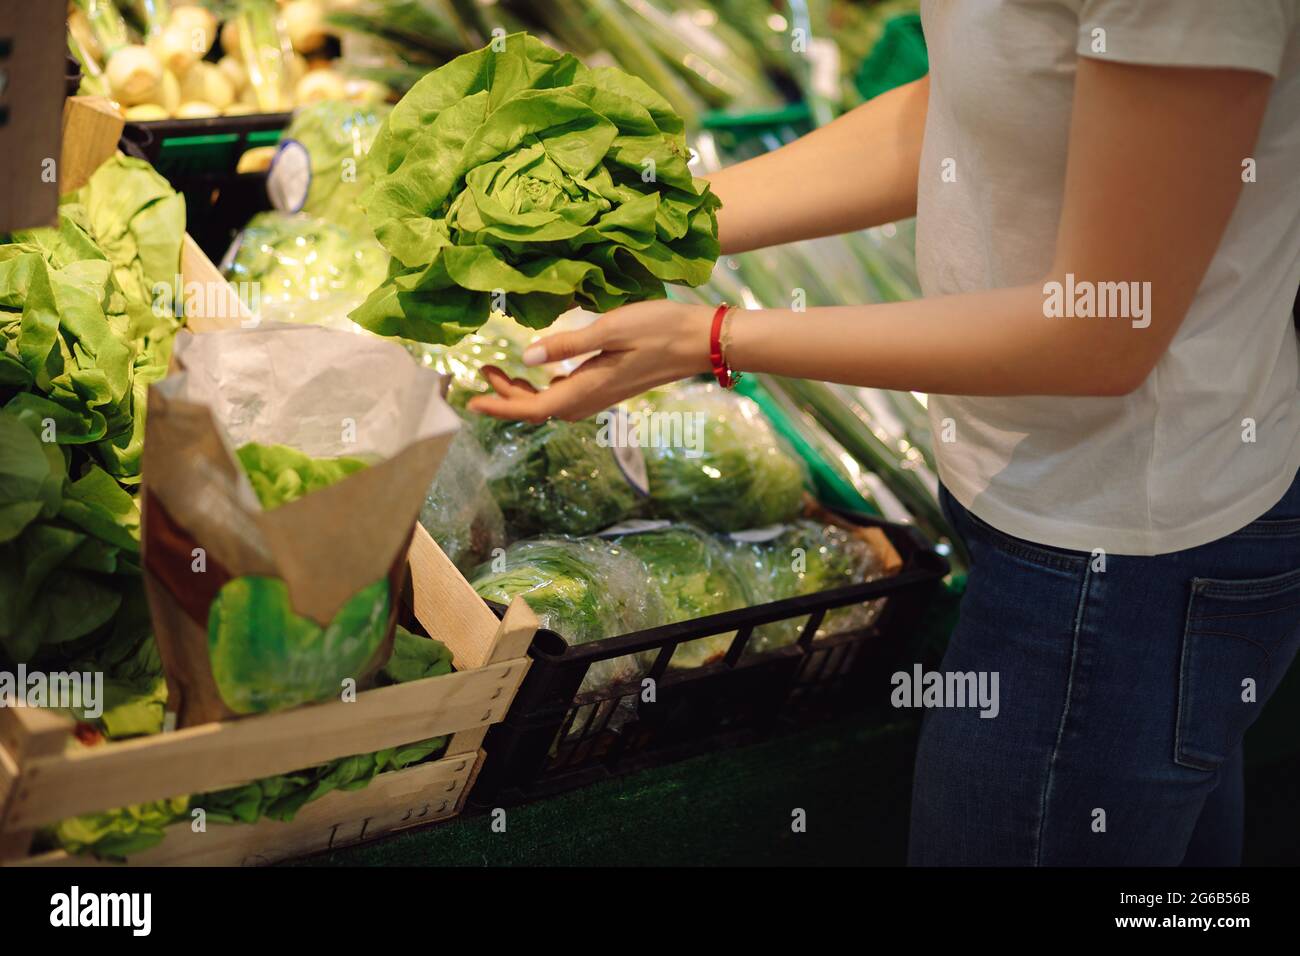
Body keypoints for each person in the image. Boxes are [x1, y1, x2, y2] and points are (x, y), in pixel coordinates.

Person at [468, 1, 1300, 864]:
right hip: (1040, 494)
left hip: (1126, 547)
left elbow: (1101, 329)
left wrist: (710, 339)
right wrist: (657, 224)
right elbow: (983, 101)